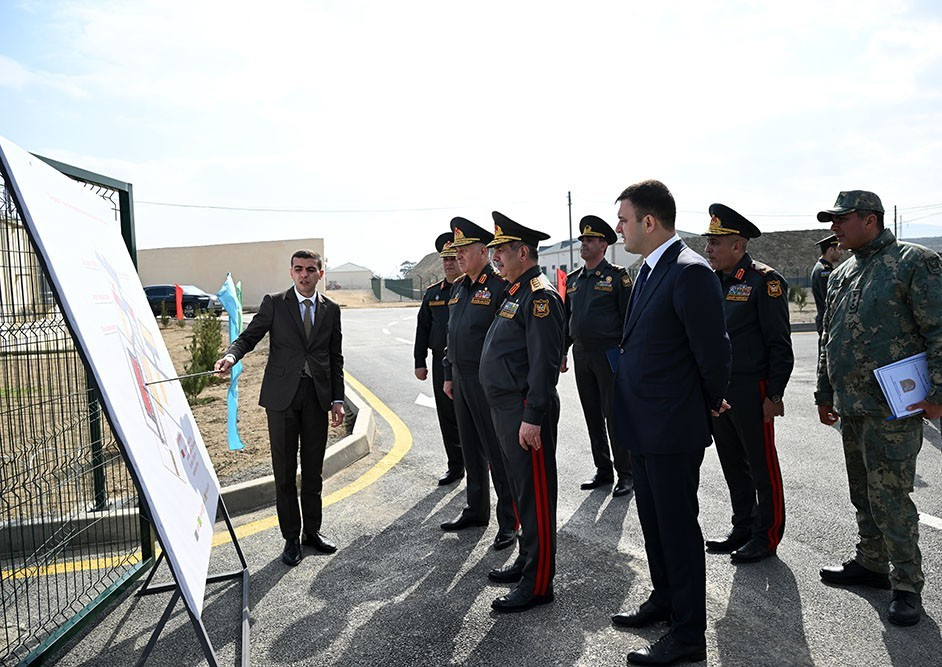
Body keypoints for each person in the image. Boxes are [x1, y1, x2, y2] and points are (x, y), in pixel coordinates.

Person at [610, 180, 730, 666]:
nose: (619, 228)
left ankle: (688, 634)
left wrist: (708, 401)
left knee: (677, 530)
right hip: (644, 424)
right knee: (655, 524)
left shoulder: (689, 271)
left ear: (649, 221)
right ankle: (664, 600)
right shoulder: (647, 270)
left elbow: (714, 352)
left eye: (623, 219)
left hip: (672, 426)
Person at [815, 190, 942, 626]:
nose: (835, 228)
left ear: (870, 220)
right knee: (862, 491)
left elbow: (938, 330)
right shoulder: (841, 272)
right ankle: (871, 563)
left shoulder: (914, 261)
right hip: (851, 403)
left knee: (890, 497)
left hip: (894, 406)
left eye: (842, 219)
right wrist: (824, 392)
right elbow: (828, 336)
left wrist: (938, 394)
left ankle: (907, 584)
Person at [215, 250, 344, 566]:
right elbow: (249, 337)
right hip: (281, 399)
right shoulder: (275, 303)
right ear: (291, 272)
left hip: (316, 398)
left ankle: (311, 532)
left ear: (320, 274)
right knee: (284, 472)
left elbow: (335, 357)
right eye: (298, 269)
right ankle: (291, 539)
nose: (304, 275)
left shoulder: (330, 310)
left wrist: (337, 399)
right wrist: (231, 356)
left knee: (313, 471)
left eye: (310, 269)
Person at [480, 211, 564, 612]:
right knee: (520, 491)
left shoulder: (540, 296)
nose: (495, 257)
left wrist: (533, 416)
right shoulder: (515, 292)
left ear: (523, 252)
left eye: (501, 250)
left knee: (536, 497)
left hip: (524, 411)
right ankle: (528, 560)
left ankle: (538, 582)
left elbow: (544, 364)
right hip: (506, 408)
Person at [702, 204, 794, 564]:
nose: (708, 249)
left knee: (761, 465)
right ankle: (742, 525)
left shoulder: (764, 281)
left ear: (737, 246)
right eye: (709, 242)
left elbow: (779, 344)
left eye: (715, 243)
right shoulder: (712, 281)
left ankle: (767, 535)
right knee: (732, 463)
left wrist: (775, 394)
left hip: (752, 389)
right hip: (720, 390)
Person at [440, 217, 518, 552]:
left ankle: (509, 521)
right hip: (460, 378)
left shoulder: (499, 287)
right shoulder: (459, 288)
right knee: (470, 448)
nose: (457, 256)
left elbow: (508, 337)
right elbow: (451, 334)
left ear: (483, 252)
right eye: (455, 251)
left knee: (498, 453)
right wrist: (448, 373)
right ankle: (476, 509)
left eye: (464, 249)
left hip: (487, 380)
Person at [562, 215, 633, 497]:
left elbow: (629, 319)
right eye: (582, 240)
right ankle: (603, 469)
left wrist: (628, 356)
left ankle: (626, 473)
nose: (584, 244)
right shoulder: (573, 280)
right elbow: (567, 321)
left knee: (614, 414)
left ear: (603, 245)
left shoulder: (617, 277)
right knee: (592, 414)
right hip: (582, 353)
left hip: (609, 353)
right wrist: (562, 352)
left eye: (590, 240)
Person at [414, 233, 464, 486]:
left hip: (466, 362)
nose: (449, 263)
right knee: (447, 415)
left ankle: (478, 463)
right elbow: (422, 328)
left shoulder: (472, 290)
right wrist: (419, 361)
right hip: (438, 362)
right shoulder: (433, 293)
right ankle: (455, 465)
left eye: (453, 258)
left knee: (470, 415)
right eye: (445, 259)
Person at [811, 234, 843, 337]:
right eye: (839, 249)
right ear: (831, 250)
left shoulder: (823, 268)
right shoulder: (823, 271)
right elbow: (828, 299)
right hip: (828, 322)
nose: (841, 253)